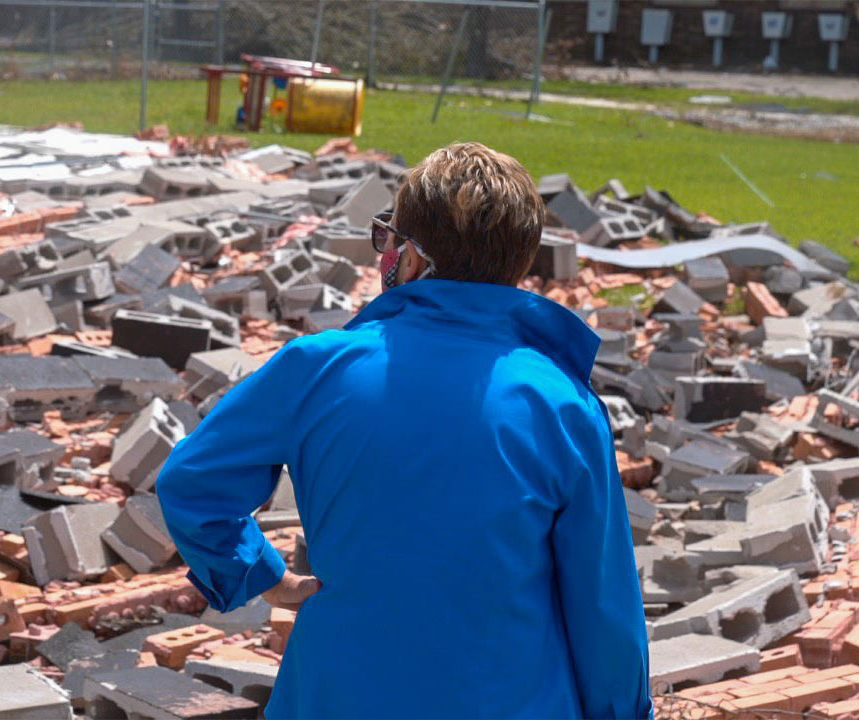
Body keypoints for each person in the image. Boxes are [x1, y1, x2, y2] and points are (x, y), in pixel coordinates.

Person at [156, 142, 652, 719]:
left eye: (387, 237)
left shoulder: (317, 367)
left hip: (337, 694)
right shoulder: (563, 404)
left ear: (410, 259)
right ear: (518, 265)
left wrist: (262, 575)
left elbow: (190, 483)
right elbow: (602, 602)